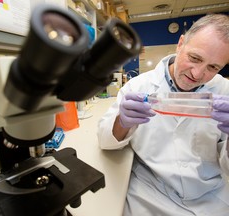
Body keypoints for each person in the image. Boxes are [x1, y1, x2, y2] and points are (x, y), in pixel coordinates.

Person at [97, 14, 229, 216]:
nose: (197, 74)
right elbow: (105, 140)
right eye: (194, 58)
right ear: (180, 43)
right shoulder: (139, 85)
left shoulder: (225, 91)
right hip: (150, 195)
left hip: (210, 197)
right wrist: (122, 121)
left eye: (213, 67)